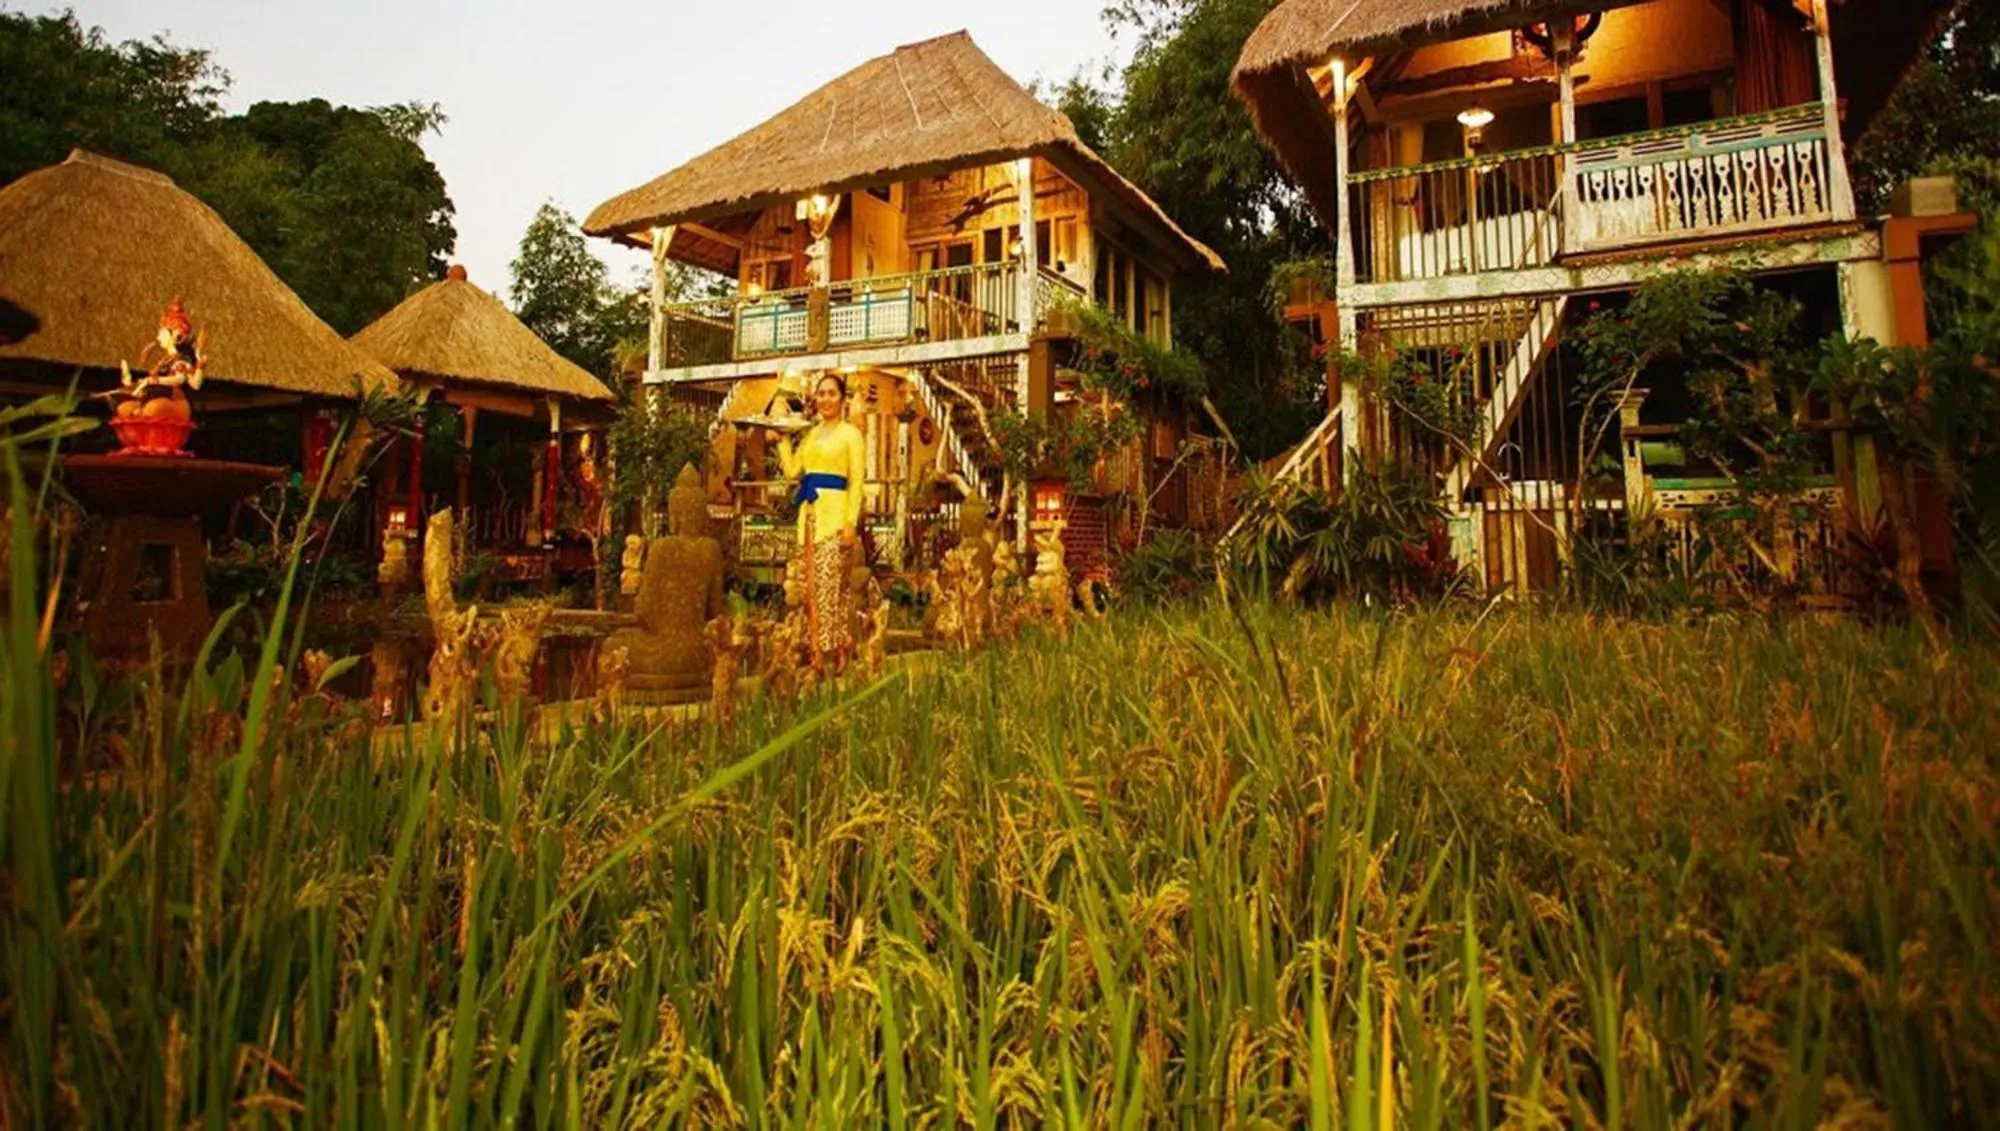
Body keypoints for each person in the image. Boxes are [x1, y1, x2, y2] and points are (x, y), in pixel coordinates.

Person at [768, 374, 867, 669]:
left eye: (831, 394)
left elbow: (858, 482)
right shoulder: (810, 434)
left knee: (830, 587)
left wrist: (851, 521)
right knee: (808, 587)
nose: (825, 399)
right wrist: (782, 439)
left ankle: (830, 651)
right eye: (821, 394)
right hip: (809, 517)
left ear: (842, 398)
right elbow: (791, 471)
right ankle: (815, 648)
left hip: (836, 517)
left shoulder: (851, 435)